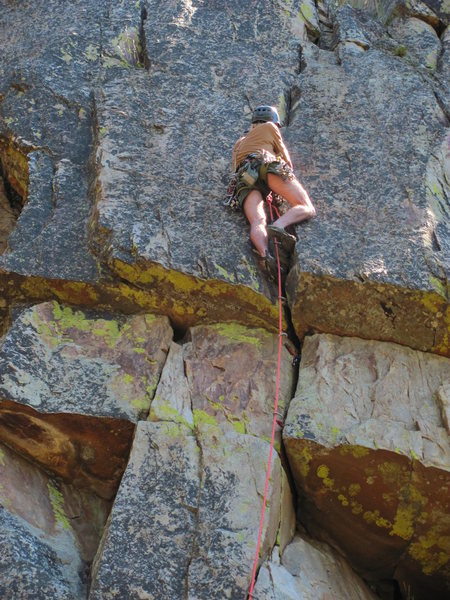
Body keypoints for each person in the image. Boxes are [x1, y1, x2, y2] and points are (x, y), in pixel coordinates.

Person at [227, 105, 315, 279]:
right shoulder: (271, 128)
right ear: (273, 120)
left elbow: (234, 169)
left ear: (253, 124)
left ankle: (265, 255)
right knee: (306, 207)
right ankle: (278, 226)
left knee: (257, 221)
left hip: (245, 176)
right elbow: (287, 162)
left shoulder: (239, 142)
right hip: (267, 164)